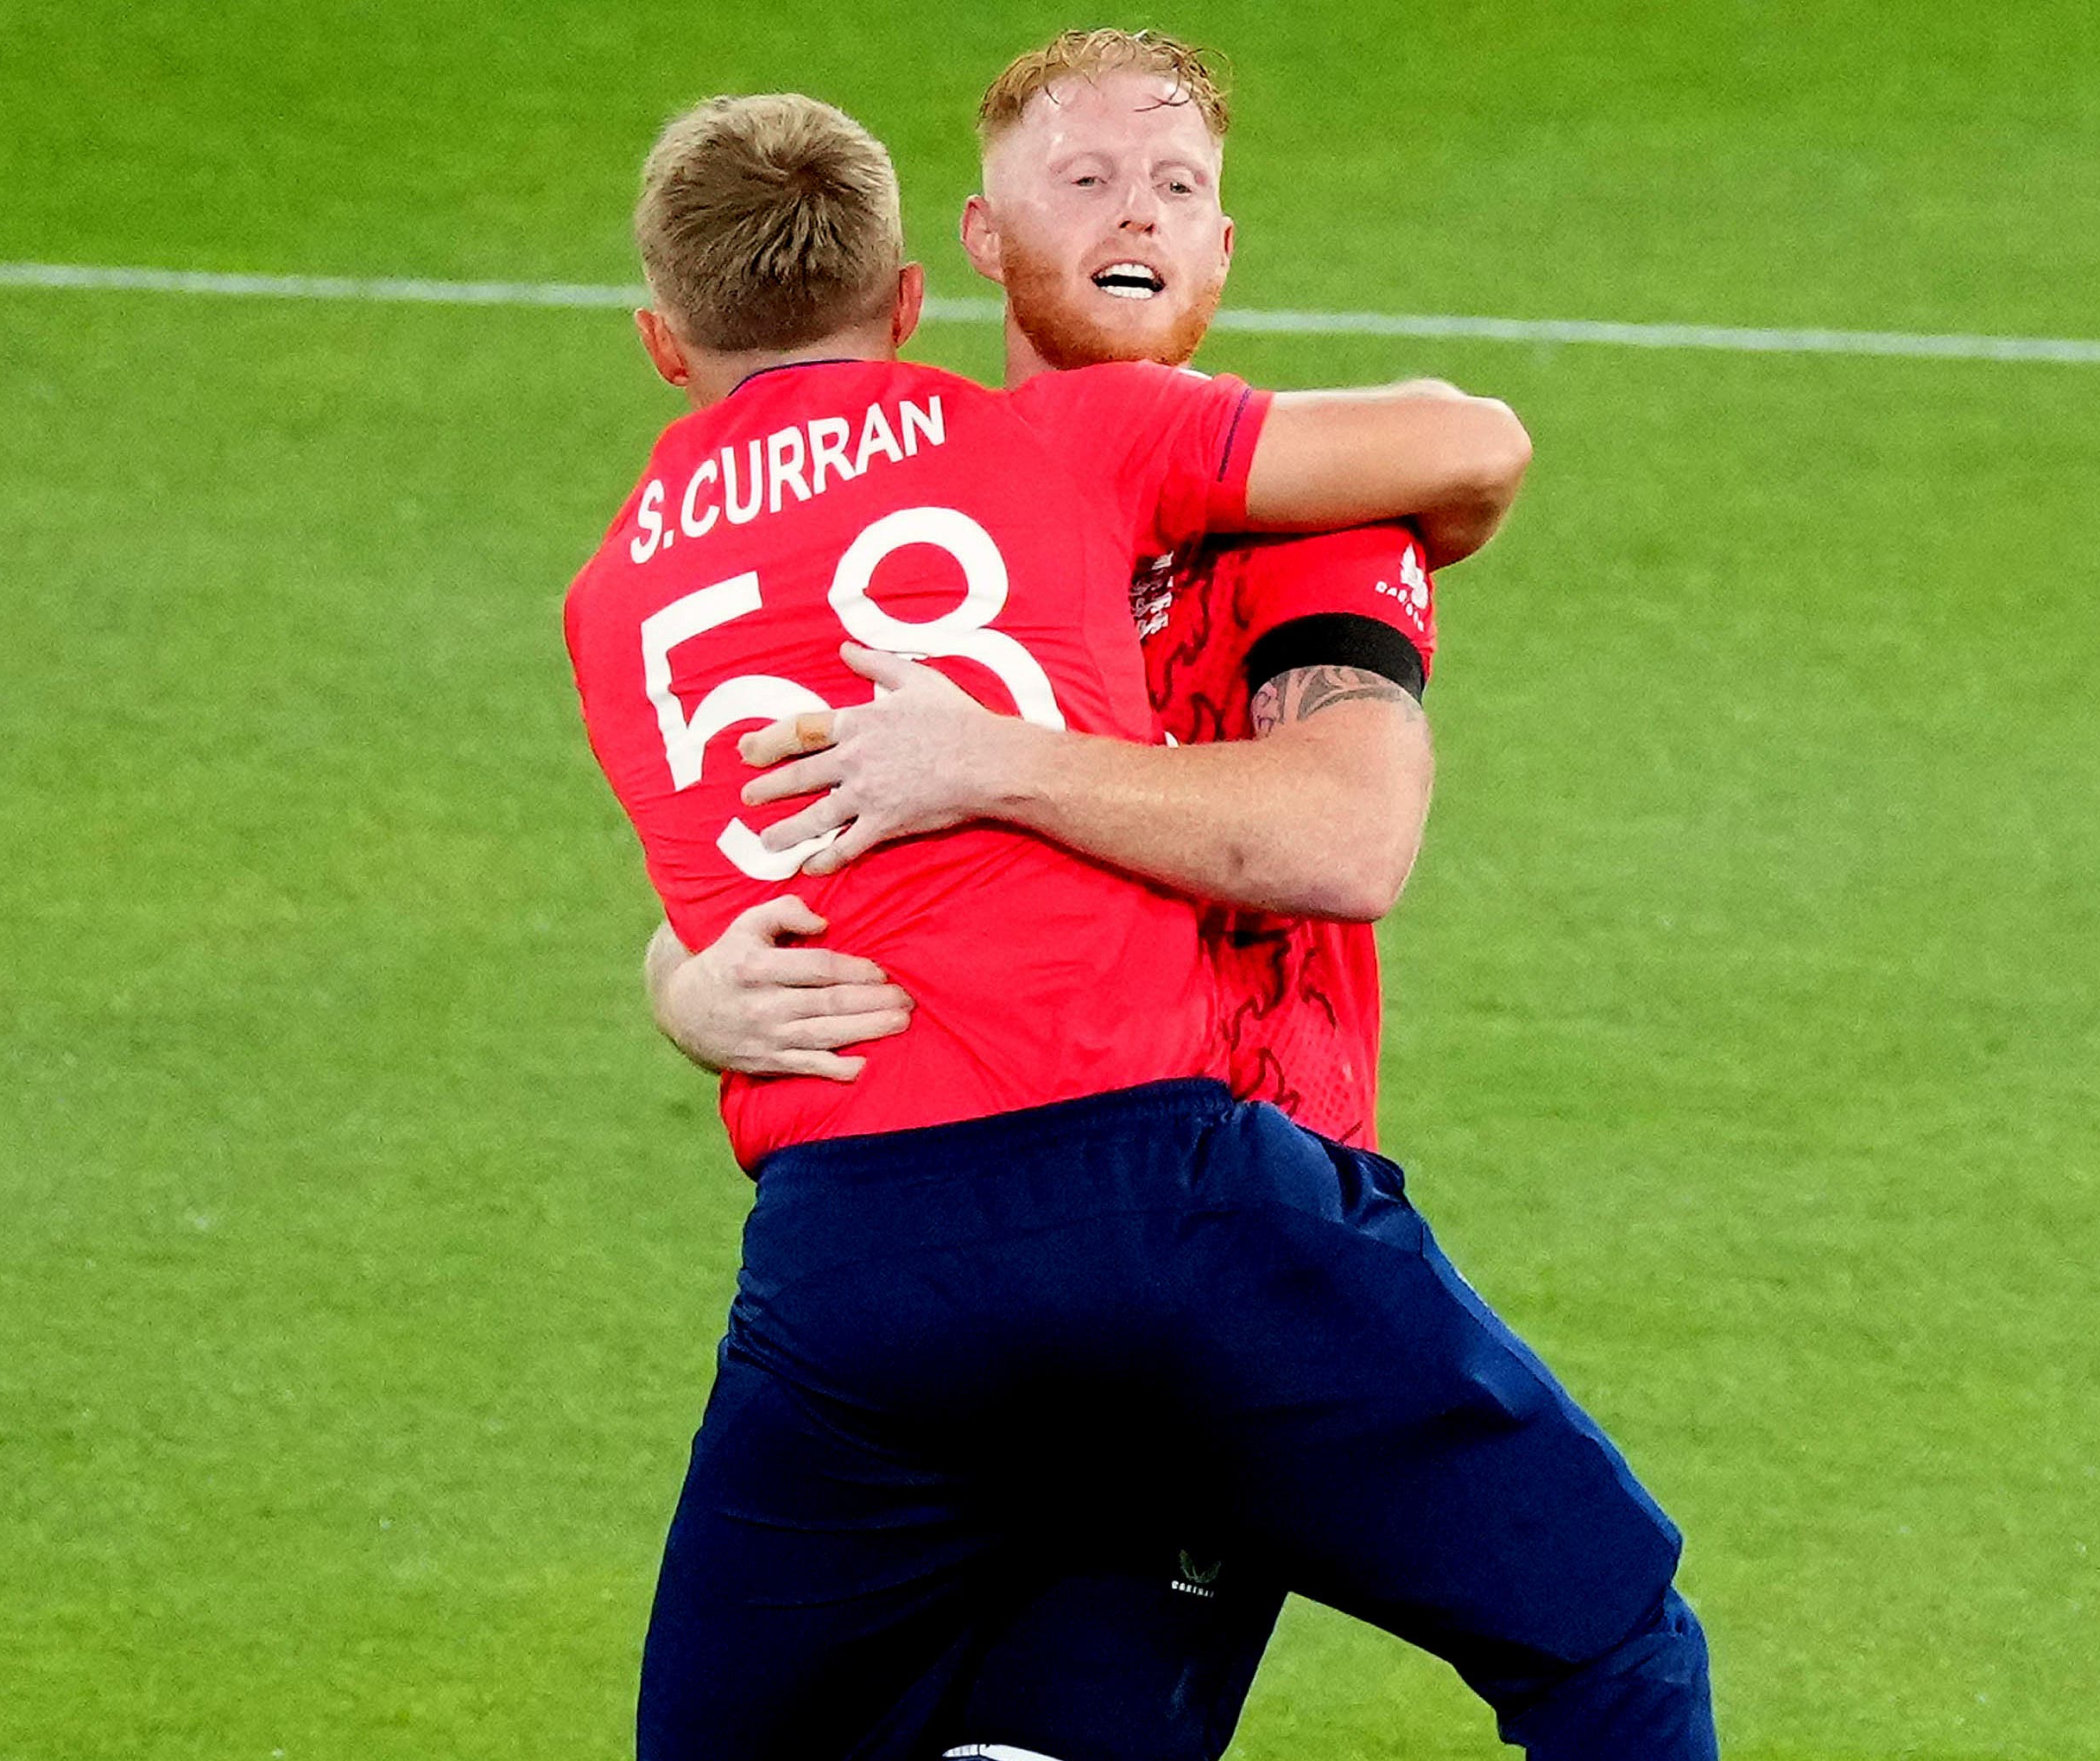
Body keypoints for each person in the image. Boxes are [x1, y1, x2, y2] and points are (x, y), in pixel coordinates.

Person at [571, 91, 1698, 1761]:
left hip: (880, 1253)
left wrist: (990, 770)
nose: (1134, 219)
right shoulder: (1038, 451)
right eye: (1084, 182)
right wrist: (685, 986)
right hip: (1177, 1231)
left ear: (665, 343)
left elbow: (1344, 837)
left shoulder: (614, 593)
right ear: (941, 271)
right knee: (1607, 1627)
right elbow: (1476, 443)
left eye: (1176, 186)